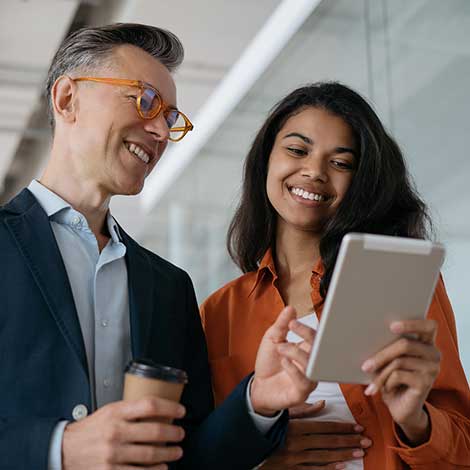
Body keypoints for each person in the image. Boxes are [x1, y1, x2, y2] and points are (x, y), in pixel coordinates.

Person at [0, 23, 318, 470]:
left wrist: (258, 402)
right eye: (146, 100)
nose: (160, 131)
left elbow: (190, 457)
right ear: (67, 98)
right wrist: (60, 447)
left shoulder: (169, 287)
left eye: (170, 118)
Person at [201, 82, 470, 469]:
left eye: (341, 163)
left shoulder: (400, 284)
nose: (314, 171)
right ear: (266, 161)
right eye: (297, 150)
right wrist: (263, 458)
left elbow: (462, 452)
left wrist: (416, 421)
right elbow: (200, 455)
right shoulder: (218, 313)